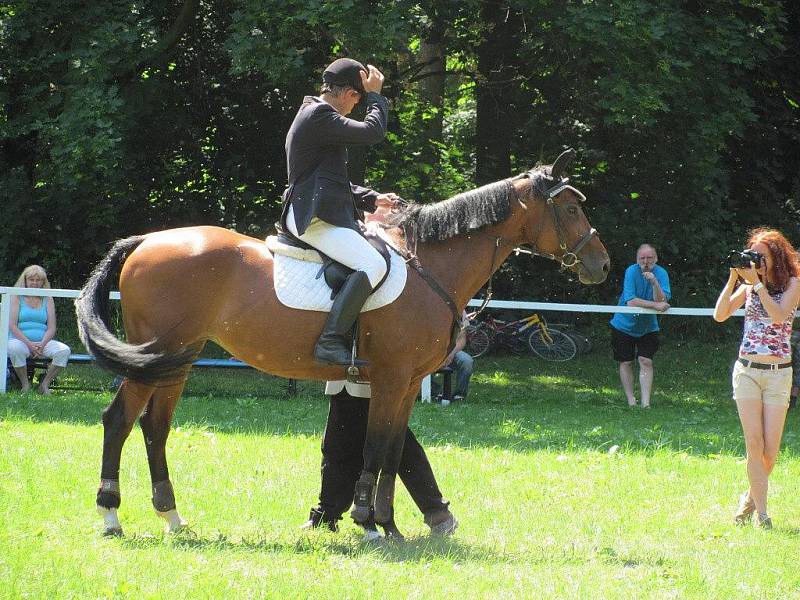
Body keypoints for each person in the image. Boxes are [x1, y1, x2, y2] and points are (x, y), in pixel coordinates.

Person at [280, 57, 399, 367]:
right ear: (350, 93)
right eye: (359, 99)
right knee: (374, 264)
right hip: (312, 217)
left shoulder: (314, 116)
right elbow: (372, 133)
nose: (357, 106)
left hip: (315, 210)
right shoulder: (319, 114)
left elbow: (328, 180)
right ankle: (330, 341)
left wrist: (373, 199)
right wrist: (376, 96)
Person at [713, 228, 800, 530]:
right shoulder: (749, 286)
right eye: (753, 255)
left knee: (770, 451)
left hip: (778, 375)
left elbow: (778, 315)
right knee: (754, 443)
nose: (756, 261)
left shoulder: (792, 284)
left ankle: (750, 498)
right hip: (747, 371)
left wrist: (757, 286)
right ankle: (762, 514)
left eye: (760, 256)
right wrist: (734, 280)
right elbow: (720, 314)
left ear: (776, 256)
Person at [302, 379, 458, 538]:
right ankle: (327, 514)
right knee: (337, 440)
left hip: (380, 375)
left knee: (394, 441)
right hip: (345, 375)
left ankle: (437, 512)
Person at [609, 244, 671, 408]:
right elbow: (631, 301)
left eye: (649, 258)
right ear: (637, 260)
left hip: (648, 327)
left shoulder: (662, 273)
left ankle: (645, 403)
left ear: (655, 259)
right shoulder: (631, 271)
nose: (645, 262)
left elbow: (662, 300)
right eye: (642, 258)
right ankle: (631, 401)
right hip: (623, 325)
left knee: (646, 361)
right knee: (626, 361)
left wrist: (654, 283)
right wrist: (656, 306)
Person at [7, 265, 71, 394]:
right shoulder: (16, 297)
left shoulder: (48, 298)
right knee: (15, 348)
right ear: (25, 281)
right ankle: (25, 385)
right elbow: (12, 325)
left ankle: (44, 385)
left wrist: (42, 344)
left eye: (38, 280)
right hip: (19, 341)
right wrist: (30, 345)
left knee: (64, 351)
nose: (35, 283)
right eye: (31, 279)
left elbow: (52, 327)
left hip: (42, 342)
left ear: (43, 282)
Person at [433, 311, 474, 403]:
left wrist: (451, 353)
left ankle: (459, 395)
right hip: (431, 351)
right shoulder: (431, 307)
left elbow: (462, 338)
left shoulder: (461, 312)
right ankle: (436, 392)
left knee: (467, 361)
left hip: (452, 350)